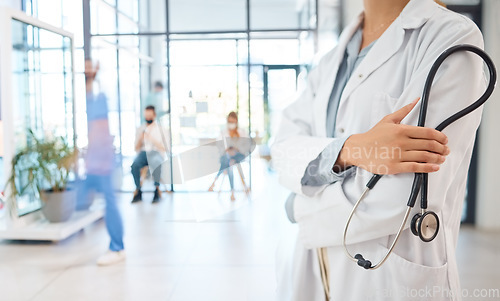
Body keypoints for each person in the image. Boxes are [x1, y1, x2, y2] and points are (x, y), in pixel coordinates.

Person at [272, 0, 486, 300]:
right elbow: (282, 150)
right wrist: (352, 149)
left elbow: (404, 196)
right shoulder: (331, 59)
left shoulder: (451, 37)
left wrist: (297, 207)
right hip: (316, 267)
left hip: (388, 278)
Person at [77, 59, 125, 266]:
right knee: (81, 200)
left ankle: (117, 247)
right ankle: (117, 246)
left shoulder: (102, 104)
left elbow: (100, 130)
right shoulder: (93, 102)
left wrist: (97, 157)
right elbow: (89, 98)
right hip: (96, 160)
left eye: (90, 67)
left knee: (109, 203)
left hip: (102, 160)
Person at [131, 105, 168, 203]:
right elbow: (136, 148)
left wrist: (150, 138)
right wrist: (141, 138)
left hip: (156, 153)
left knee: (156, 163)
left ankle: (156, 190)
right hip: (143, 153)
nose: (147, 118)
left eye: (150, 116)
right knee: (134, 165)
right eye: (146, 116)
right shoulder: (140, 129)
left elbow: (165, 148)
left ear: (154, 115)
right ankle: (138, 190)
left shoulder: (161, 129)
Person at [208, 111, 247, 201]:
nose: (231, 124)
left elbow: (245, 147)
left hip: (238, 155)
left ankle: (214, 182)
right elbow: (219, 145)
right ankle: (232, 192)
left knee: (228, 161)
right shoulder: (223, 132)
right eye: (229, 122)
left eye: (233, 122)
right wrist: (226, 150)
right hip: (227, 155)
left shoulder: (241, 132)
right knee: (229, 161)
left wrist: (236, 150)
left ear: (236, 122)